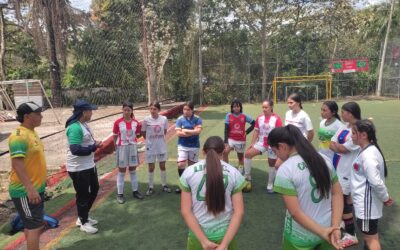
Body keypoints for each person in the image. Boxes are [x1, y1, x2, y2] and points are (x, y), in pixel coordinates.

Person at [269, 125, 344, 250]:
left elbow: (295, 212)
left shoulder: (286, 169)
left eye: (275, 151)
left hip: (300, 236)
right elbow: (337, 194)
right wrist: (335, 227)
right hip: (329, 230)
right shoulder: (324, 160)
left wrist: (322, 232)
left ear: (282, 146)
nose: (276, 155)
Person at [180, 136, 246, 250]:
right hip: (225, 236)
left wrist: (204, 242)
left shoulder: (188, 172)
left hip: (198, 238)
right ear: (224, 151)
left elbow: (186, 211)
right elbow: (239, 212)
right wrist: (224, 245)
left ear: (203, 151)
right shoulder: (234, 173)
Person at [8, 102, 46, 250]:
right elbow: (17, 164)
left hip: (36, 188)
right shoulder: (19, 136)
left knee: (33, 226)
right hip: (25, 191)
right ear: (26, 116)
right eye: (37, 114)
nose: (41, 116)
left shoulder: (31, 132)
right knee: (34, 227)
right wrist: (30, 188)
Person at [351, 119, 393, 250]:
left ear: (363, 135)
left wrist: (385, 197)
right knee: (369, 238)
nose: (351, 135)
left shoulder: (368, 155)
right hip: (364, 204)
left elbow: (375, 182)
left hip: (367, 206)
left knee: (371, 239)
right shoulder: (365, 150)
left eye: (353, 133)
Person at [66, 100, 101, 234]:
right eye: (90, 111)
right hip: (78, 167)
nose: (92, 113)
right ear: (83, 112)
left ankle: (83, 216)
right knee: (83, 195)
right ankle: (83, 222)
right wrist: (94, 147)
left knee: (95, 188)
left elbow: (86, 143)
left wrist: (94, 145)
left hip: (88, 164)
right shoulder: (75, 127)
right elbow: (75, 149)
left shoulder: (84, 124)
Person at [329, 101, 361, 247]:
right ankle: (341, 225)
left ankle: (351, 234)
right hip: (337, 167)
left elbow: (344, 149)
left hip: (347, 170)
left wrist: (337, 147)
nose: (341, 114)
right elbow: (332, 143)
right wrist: (337, 147)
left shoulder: (358, 129)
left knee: (343, 200)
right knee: (343, 199)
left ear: (351, 113)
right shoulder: (345, 126)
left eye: (344, 112)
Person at [243, 100, 282, 193]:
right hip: (261, 143)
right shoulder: (259, 118)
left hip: (272, 144)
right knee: (248, 154)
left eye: (266, 107)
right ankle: (247, 177)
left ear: (271, 107)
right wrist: (252, 143)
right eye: (263, 107)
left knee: (271, 163)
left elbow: (279, 133)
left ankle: (270, 184)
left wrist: (276, 146)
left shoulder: (277, 119)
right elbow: (256, 131)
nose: (264, 109)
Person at [112, 101, 144, 203]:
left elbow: (138, 135)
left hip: (133, 148)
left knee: (133, 170)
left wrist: (133, 139)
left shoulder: (136, 123)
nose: (126, 112)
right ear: (122, 110)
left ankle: (135, 191)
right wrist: (115, 148)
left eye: (128, 110)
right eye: (125, 110)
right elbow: (115, 136)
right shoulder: (118, 122)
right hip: (122, 148)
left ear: (131, 111)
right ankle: (120, 194)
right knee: (121, 171)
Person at [141, 101, 171, 195]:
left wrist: (158, 139)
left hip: (161, 146)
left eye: (154, 109)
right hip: (150, 147)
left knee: (162, 166)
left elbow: (165, 131)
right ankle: (150, 187)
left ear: (159, 110)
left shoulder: (164, 119)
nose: (152, 111)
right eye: (151, 109)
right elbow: (143, 132)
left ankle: (164, 185)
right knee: (151, 167)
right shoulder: (146, 120)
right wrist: (150, 141)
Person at [175, 101, 202, 193]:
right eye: (184, 109)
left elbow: (198, 131)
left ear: (192, 110)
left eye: (188, 109)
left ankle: (192, 184)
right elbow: (178, 133)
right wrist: (192, 132)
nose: (185, 111)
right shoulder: (180, 119)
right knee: (181, 164)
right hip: (182, 146)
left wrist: (185, 131)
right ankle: (182, 184)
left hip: (194, 146)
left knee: (192, 167)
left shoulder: (197, 119)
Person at [223, 100, 255, 169]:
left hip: (241, 140)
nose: (236, 108)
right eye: (234, 107)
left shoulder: (244, 116)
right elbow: (226, 129)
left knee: (240, 158)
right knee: (225, 152)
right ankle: (226, 169)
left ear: (240, 107)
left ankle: (240, 172)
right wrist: (225, 141)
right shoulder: (228, 116)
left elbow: (254, 123)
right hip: (230, 139)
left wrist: (246, 132)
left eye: (238, 106)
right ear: (232, 108)